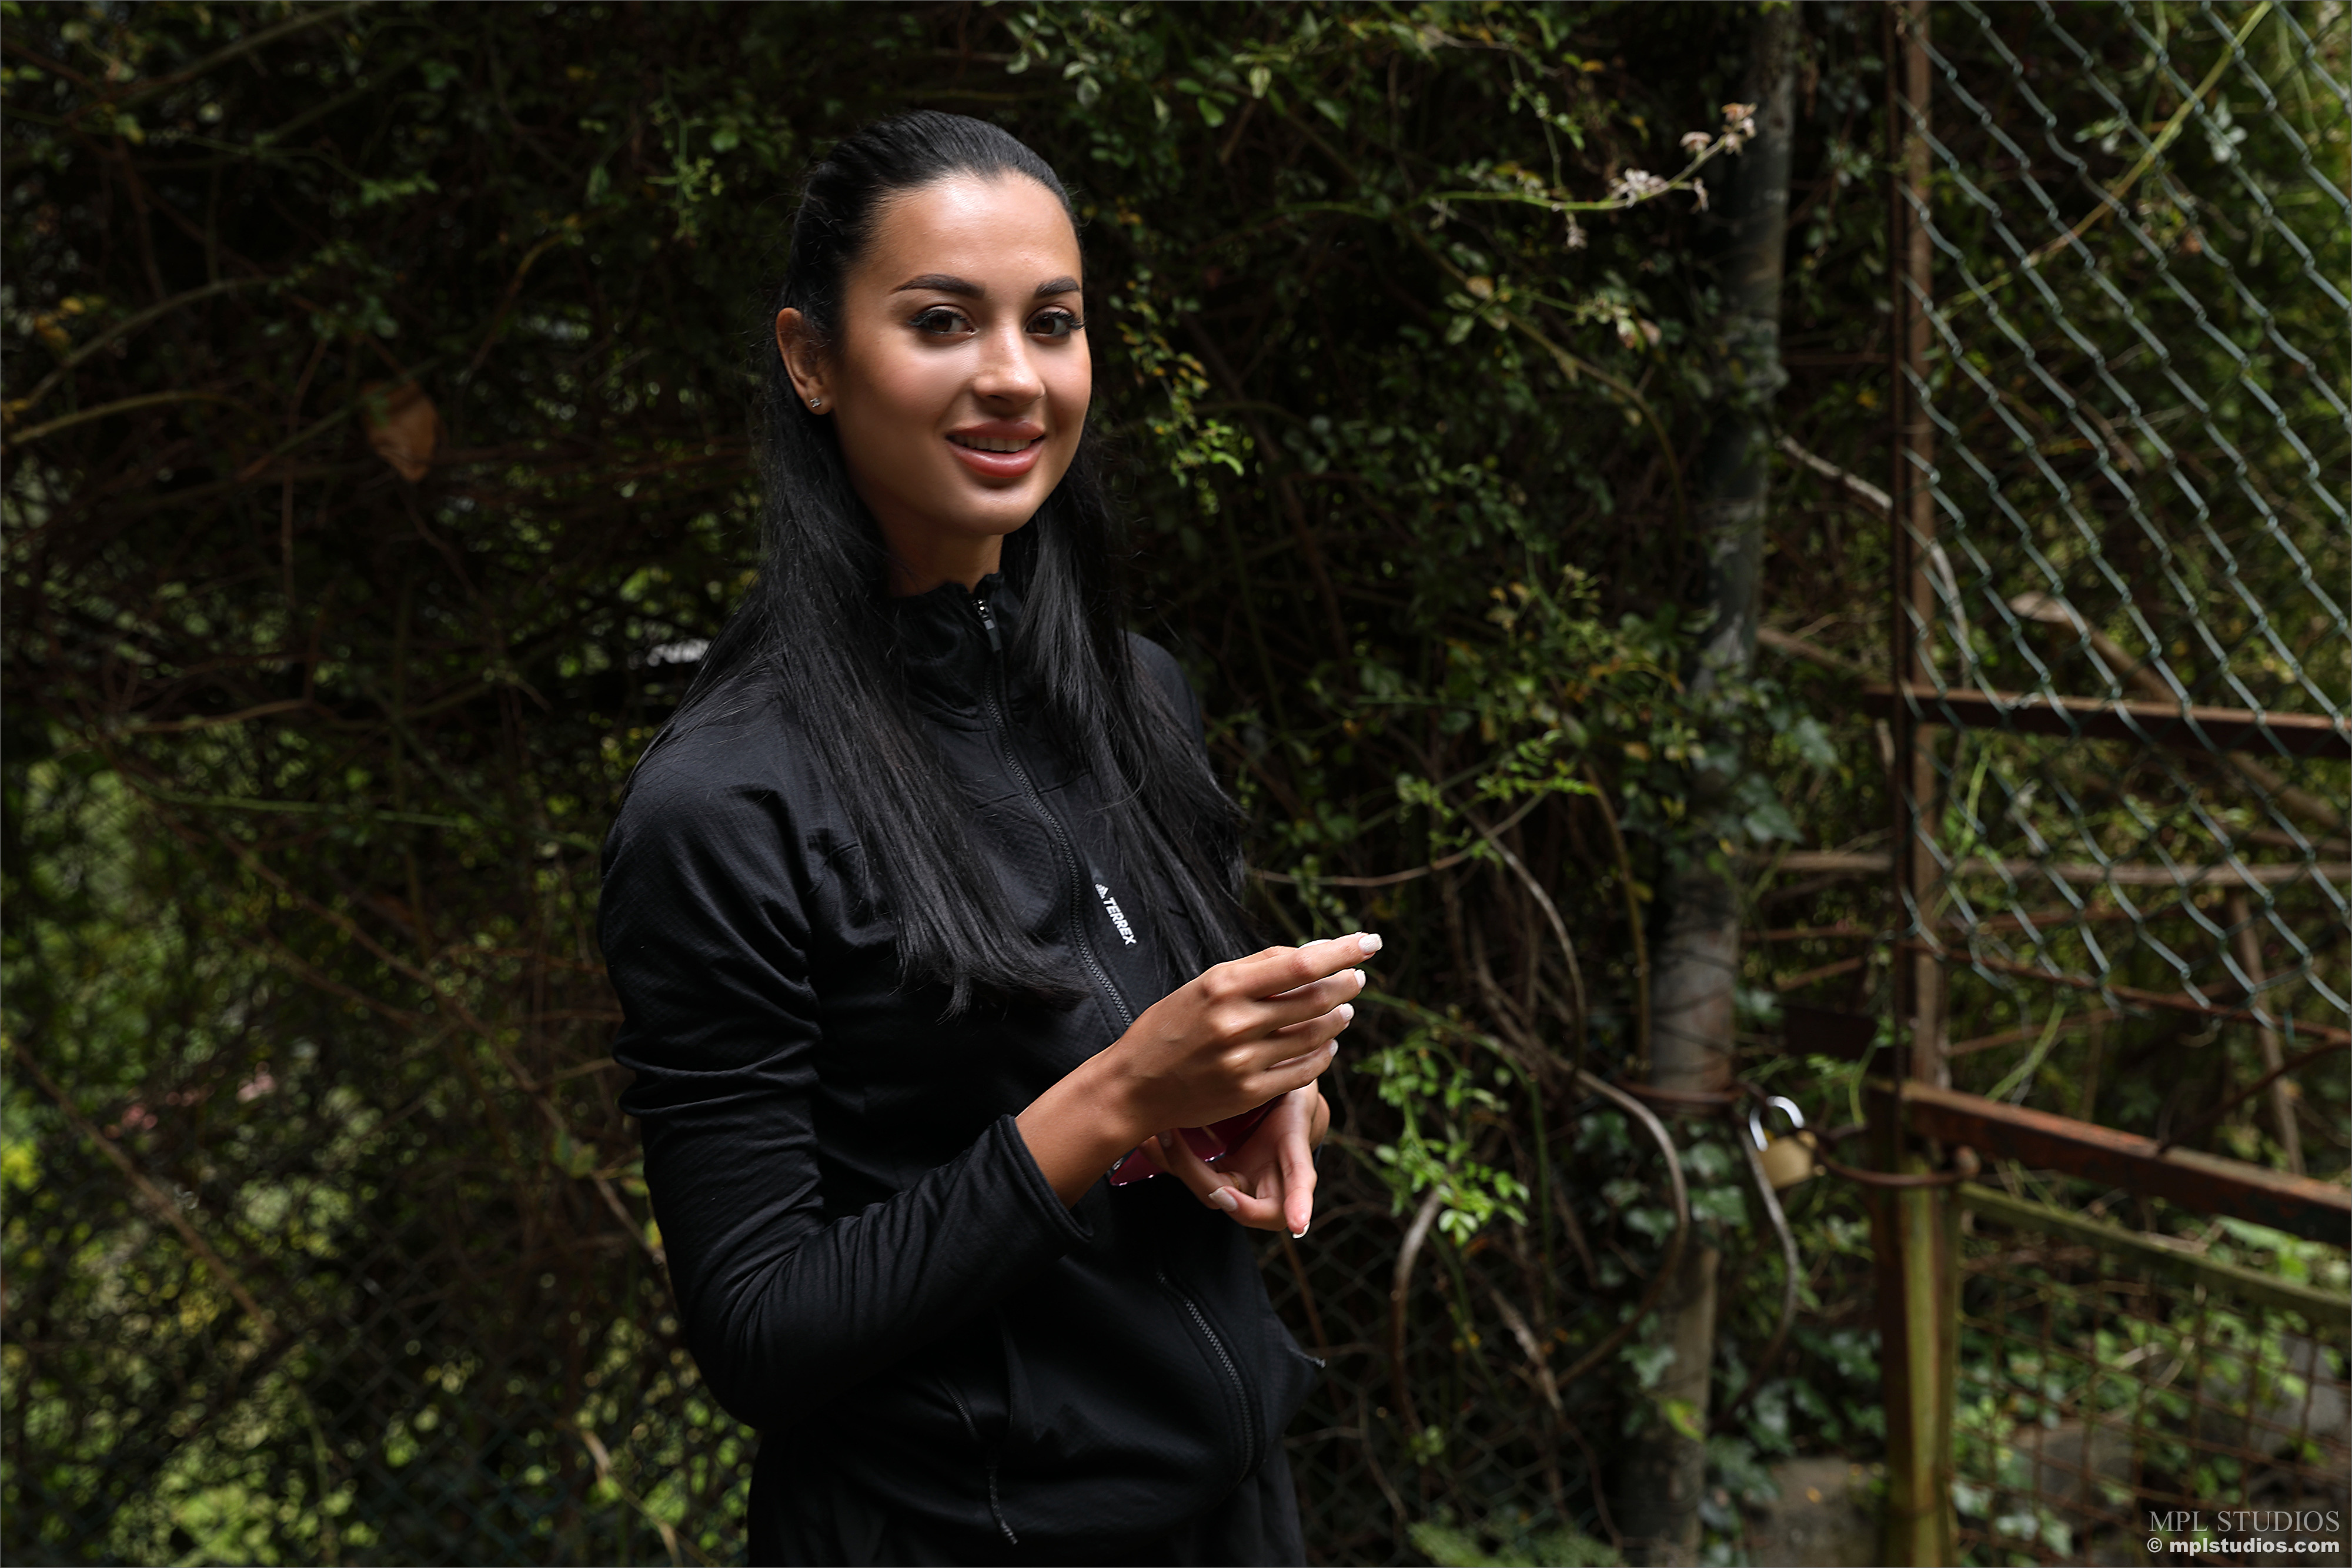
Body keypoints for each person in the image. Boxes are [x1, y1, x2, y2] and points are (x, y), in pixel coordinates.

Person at [600, 111, 1374, 1566]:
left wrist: (1253, 1104)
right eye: (942, 321)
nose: (1013, 375)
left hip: (1226, 1516)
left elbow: (1152, 1110)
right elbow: (760, 1328)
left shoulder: (1136, 698)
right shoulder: (723, 805)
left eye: (1052, 322)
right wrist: (1122, 1094)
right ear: (811, 358)